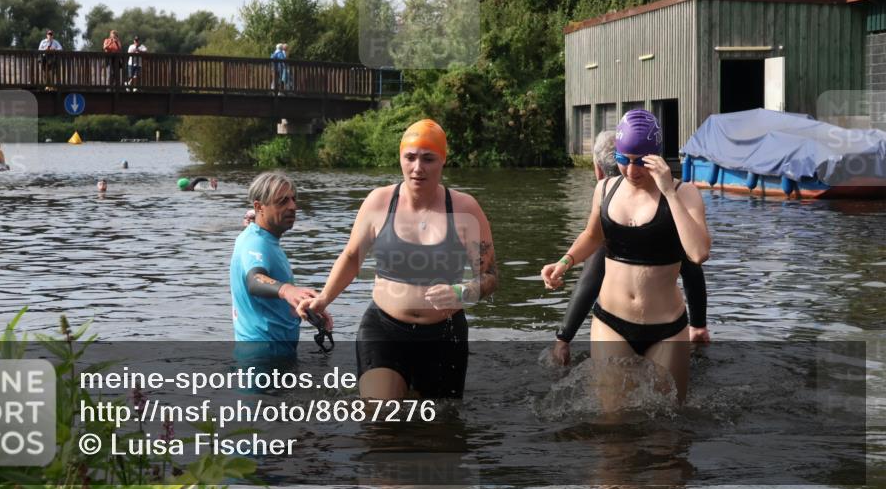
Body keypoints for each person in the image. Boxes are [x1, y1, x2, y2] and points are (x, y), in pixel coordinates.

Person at [296, 119, 498, 399]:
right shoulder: (379, 202)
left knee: (439, 430)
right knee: (380, 416)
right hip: (384, 328)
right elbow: (352, 257)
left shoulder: (465, 208)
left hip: (444, 335)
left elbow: (489, 276)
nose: (418, 168)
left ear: (443, 160)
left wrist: (462, 292)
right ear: (400, 158)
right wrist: (323, 299)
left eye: (428, 159)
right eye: (410, 157)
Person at [541, 110, 710, 404]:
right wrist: (564, 262)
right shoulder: (605, 188)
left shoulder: (685, 194)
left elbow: (698, 253)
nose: (632, 171)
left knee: (669, 428)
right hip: (612, 323)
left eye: (641, 162)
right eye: (624, 160)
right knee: (612, 427)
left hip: (667, 327)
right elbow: (592, 237)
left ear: (656, 157)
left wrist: (668, 192)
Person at [229, 172, 331, 348]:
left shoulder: (266, 239)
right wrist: (288, 291)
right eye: (282, 201)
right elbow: (254, 280)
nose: (292, 206)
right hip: (262, 357)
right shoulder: (255, 242)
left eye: (293, 199)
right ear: (259, 207)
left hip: (275, 352)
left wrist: (307, 308)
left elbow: (269, 300)